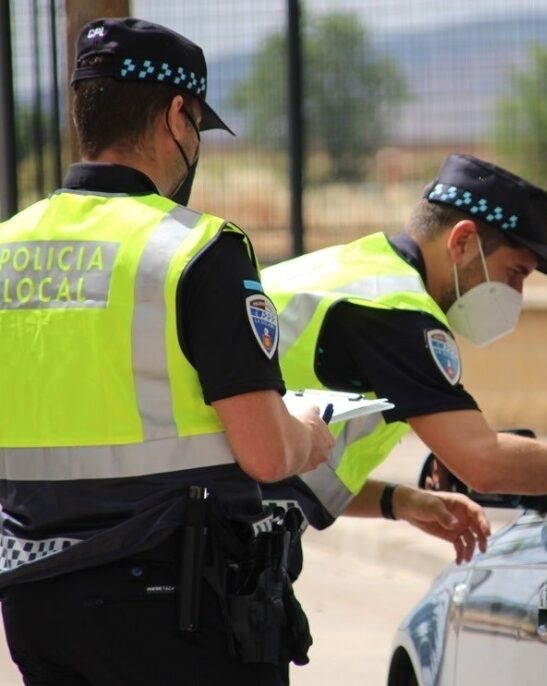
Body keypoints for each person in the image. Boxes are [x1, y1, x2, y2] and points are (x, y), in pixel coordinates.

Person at [0, 18, 482, 686]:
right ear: (177, 117)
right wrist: (309, 434)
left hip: (35, 605)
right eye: (197, 126)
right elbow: (264, 452)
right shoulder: (196, 250)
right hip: (175, 609)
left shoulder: (8, 248)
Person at [261, 154, 547, 524]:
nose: (516, 294)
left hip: (220, 509)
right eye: (515, 273)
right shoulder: (395, 310)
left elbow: (289, 466)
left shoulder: (359, 273)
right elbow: (485, 463)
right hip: (218, 534)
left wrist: (402, 502)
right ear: (462, 242)